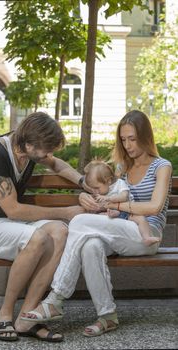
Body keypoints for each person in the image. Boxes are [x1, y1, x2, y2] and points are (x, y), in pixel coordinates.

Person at [21, 110, 172, 337]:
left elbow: (154, 207)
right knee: (90, 245)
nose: (128, 145)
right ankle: (107, 316)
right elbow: (101, 194)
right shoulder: (123, 168)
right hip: (119, 231)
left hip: (146, 234)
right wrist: (85, 197)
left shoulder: (162, 166)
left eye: (133, 139)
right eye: (123, 139)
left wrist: (118, 207)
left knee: (80, 221)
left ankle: (55, 298)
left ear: (146, 137)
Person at [0, 111, 88, 342]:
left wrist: (83, 181)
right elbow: (14, 210)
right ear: (28, 144)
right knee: (39, 238)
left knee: (60, 231)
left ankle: (26, 318)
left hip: (9, 225)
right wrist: (66, 212)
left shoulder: (29, 150)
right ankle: (4, 314)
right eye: (45, 149)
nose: (48, 154)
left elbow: (56, 164)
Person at [84, 159, 161, 246]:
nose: (95, 191)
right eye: (92, 189)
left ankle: (146, 237)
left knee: (142, 219)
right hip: (112, 217)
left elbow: (124, 197)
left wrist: (108, 198)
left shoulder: (119, 184)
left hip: (128, 213)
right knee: (98, 216)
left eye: (97, 188)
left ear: (108, 181)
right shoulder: (99, 193)